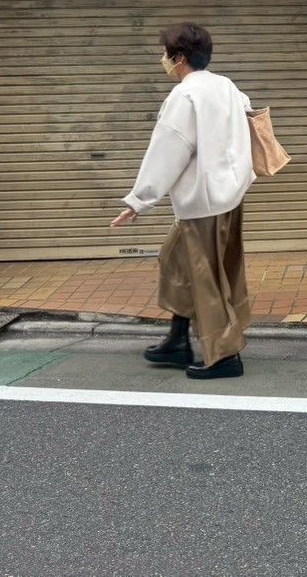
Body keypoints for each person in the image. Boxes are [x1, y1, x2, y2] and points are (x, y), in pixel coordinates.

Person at [110, 23, 254, 379]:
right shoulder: (227, 86)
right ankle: (177, 340)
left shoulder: (185, 96)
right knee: (175, 261)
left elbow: (168, 149)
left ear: (179, 58)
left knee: (206, 279)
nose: (163, 60)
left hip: (201, 204)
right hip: (228, 198)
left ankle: (224, 356)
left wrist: (139, 200)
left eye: (165, 54)